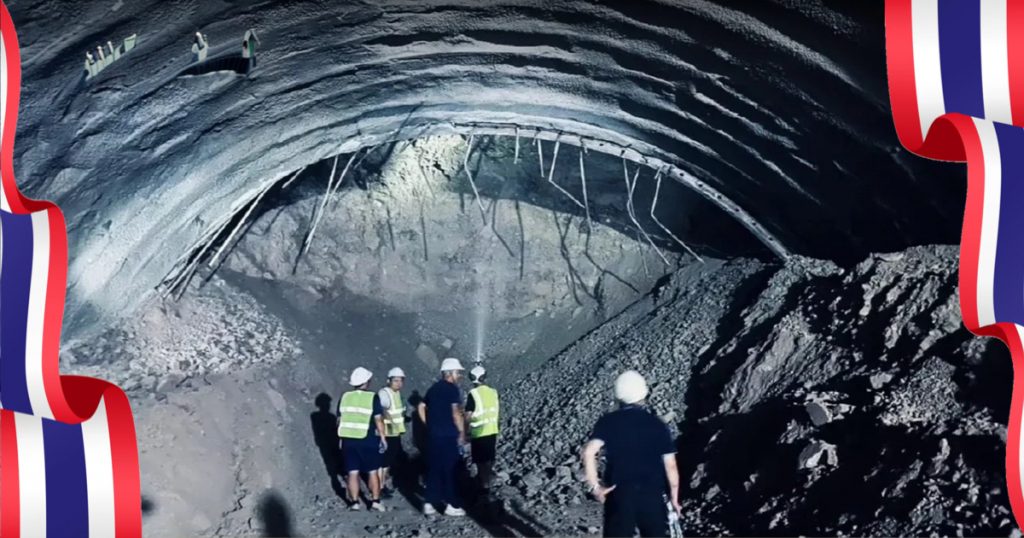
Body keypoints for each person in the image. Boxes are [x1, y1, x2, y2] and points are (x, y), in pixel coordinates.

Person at [581, 370, 681, 538]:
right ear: (644, 393)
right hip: (652, 494)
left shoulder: (607, 421)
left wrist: (595, 487)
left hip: (618, 494)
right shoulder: (656, 424)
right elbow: (670, 466)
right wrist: (674, 499)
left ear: (618, 395)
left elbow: (589, 452)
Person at [417, 358, 468, 517]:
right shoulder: (452, 389)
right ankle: (452, 504)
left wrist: (428, 425)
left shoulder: (433, 389)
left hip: (434, 435)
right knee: (450, 469)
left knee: (435, 468)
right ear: (450, 373)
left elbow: (421, 406)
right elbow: (455, 412)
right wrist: (462, 432)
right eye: (457, 372)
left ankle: (429, 503)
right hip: (448, 435)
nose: (459, 375)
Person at [337, 367, 388, 512]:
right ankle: (375, 502)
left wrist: (341, 438)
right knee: (372, 471)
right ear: (366, 382)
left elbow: (339, 420)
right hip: (368, 440)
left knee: (352, 472)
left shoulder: (345, 397)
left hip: (348, 440)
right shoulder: (372, 397)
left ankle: (354, 503)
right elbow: (378, 420)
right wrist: (383, 438)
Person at [465, 365, 499, 501]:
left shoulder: (473, 394)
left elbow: (468, 415)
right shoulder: (493, 392)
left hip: (479, 432)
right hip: (492, 430)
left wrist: (465, 431)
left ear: (471, 378)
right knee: (489, 459)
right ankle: (488, 481)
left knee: (481, 462)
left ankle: (484, 489)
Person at [377, 367, 408, 497]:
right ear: (388, 380)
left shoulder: (397, 394)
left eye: (400, 381)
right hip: (386, 434)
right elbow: (379, 413)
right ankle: (379, 487)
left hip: (394, 433)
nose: (399, 383)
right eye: (395, 381)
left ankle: (381, 485)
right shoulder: (384, 394)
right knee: (383, 462)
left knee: (387, 462)